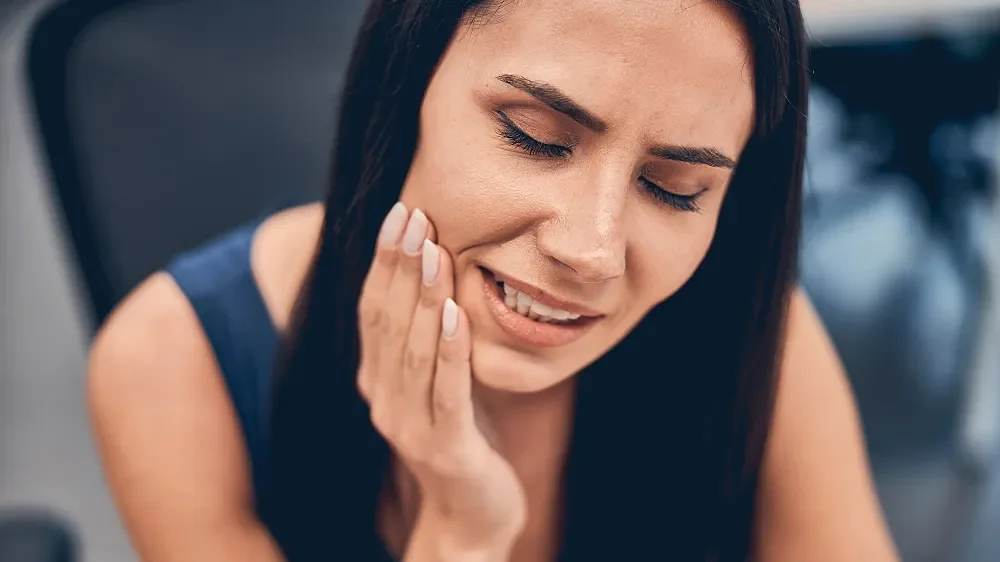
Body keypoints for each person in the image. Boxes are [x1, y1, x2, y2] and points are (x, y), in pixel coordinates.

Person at [86, 0, 900, 560]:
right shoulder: (171, 366)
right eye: (537, 137)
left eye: (674, 189)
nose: (592, 250)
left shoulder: (761, 341)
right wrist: (461, 528)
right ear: (404, 90)